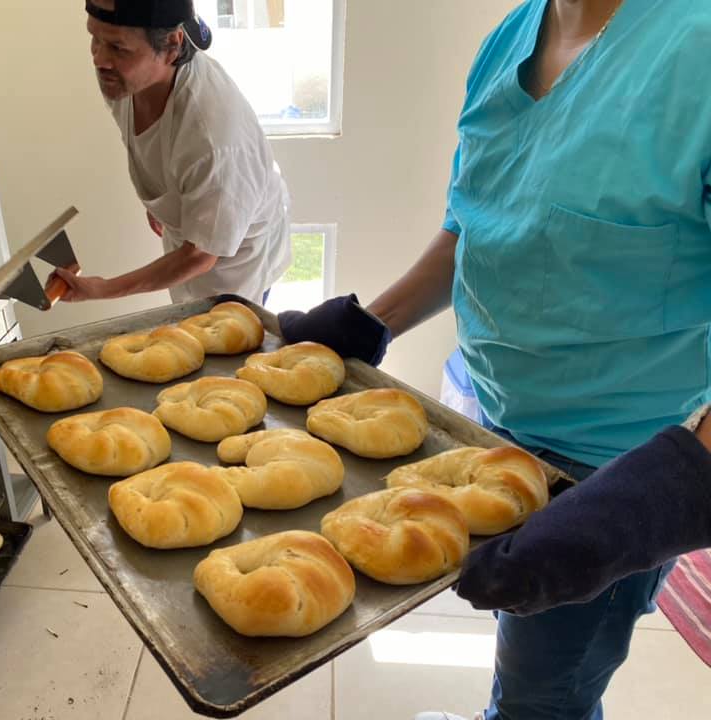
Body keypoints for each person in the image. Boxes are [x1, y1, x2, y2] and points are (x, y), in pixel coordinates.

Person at [279, 1, 711, 718]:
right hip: (497, 429)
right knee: (520, 641)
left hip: (616, 475)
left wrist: (673, 493)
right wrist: (370, 322)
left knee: (548, 692)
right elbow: (477, 226)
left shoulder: (695, 54)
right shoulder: (510, 39)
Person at [49, 0, 291, 307]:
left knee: (223, 331)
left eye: (118, 48)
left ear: (172, 47)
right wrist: (167, 201)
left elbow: (200, 256)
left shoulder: (213, 140)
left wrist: (102, 289)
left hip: (236, 259)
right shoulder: (125, 78)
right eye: (94, 38)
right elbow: (149, 142)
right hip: (197, 230)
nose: (99, 59)